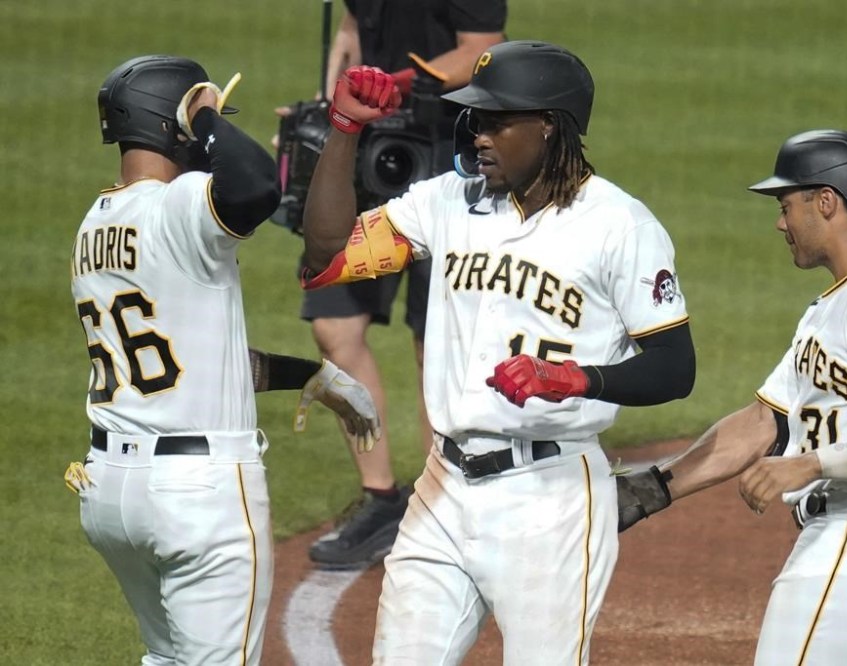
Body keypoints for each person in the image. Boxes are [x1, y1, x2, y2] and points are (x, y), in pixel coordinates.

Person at [301, 40, 697, 663]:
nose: (477, 134)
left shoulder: (620, 227)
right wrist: (346, 128)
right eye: (474, 119)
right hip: (444, 488)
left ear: (549, 126)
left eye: (495, 120)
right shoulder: (447, 202)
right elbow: (326, 257)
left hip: (552, 499)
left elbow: (675, 368)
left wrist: (576, 379)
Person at [64, 54, 379, 665]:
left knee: (165, 658)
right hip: (197, 497)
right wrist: (204, 115)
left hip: (112, 493)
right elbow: (256, 187)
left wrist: (307, 374)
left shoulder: (94, 224)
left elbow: (187, 360)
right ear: (175, 124)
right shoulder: (179, 203)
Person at [617, 130, 847, 665]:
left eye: (786, 205)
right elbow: (764, 421)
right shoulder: (838, 304)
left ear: (826, 201)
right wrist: (654, 489)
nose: (781, 222)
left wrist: (811, 464)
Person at [303, 0, 507, 571]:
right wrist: (331, 107)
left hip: (444, 151)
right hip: (367, 142)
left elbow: (482, 47)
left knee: (435, 338)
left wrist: (390, 87)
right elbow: (350, 29)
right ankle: (381, 500)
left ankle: (444, 503)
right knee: (332, 328)